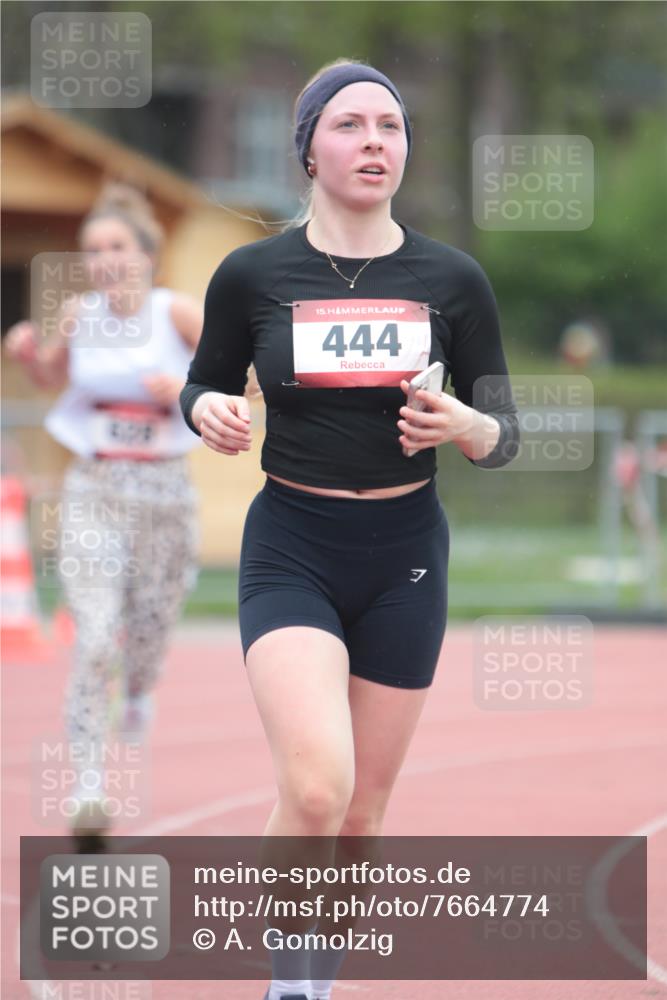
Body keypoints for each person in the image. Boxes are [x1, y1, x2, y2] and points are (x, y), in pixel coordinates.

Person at [180, 59, 519, 1000]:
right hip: (292, 546)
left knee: (362, 813)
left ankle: (315, 982)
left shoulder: (452, 279)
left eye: (389, 126)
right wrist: (207, 409)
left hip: (405, 557)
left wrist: (466, 425)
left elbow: (504, 434)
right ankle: (287, 987)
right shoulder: (252, 273)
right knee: (317, 789)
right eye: (349, 125)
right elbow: (202, 381)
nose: (374, 142)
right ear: (308, 151)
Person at [4, 183, 203, 845]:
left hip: (165, 494)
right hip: (93, 488)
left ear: (146, 254)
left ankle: (140, 689)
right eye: (92, 251)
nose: (103, 260)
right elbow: (50, 378)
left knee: (148, 627)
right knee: (93, 638)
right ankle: (88, 787)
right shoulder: (79, 315)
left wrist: (188, 388)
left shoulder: (177, 313)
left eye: (116, 246)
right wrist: (29, 352)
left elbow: (249, 374)